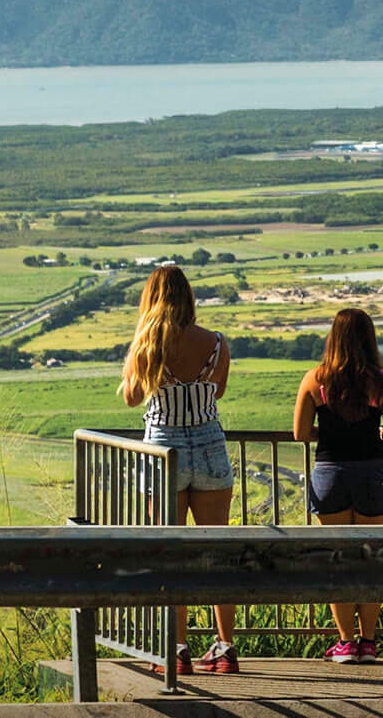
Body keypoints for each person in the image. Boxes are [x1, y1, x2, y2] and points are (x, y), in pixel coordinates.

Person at [119, 264, 240, 676]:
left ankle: (177, 649)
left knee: (173, 553)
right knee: (215, 552)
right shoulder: (217, 344)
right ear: (189, 297)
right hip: (210, 445)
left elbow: (132, 399)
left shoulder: (148, 344)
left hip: (163, 451)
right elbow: (218, 390)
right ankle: (224, 649)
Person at [292, 307, 383, 664]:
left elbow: (299, 433)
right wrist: (379, 431)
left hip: (329, 473)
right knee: (370, 558)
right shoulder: (380, 380)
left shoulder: (315, 379)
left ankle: (344, 643)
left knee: (337, 559)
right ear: (369, 339)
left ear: (333, 338)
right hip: (371, 472)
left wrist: (327, 431)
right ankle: (368, 642)